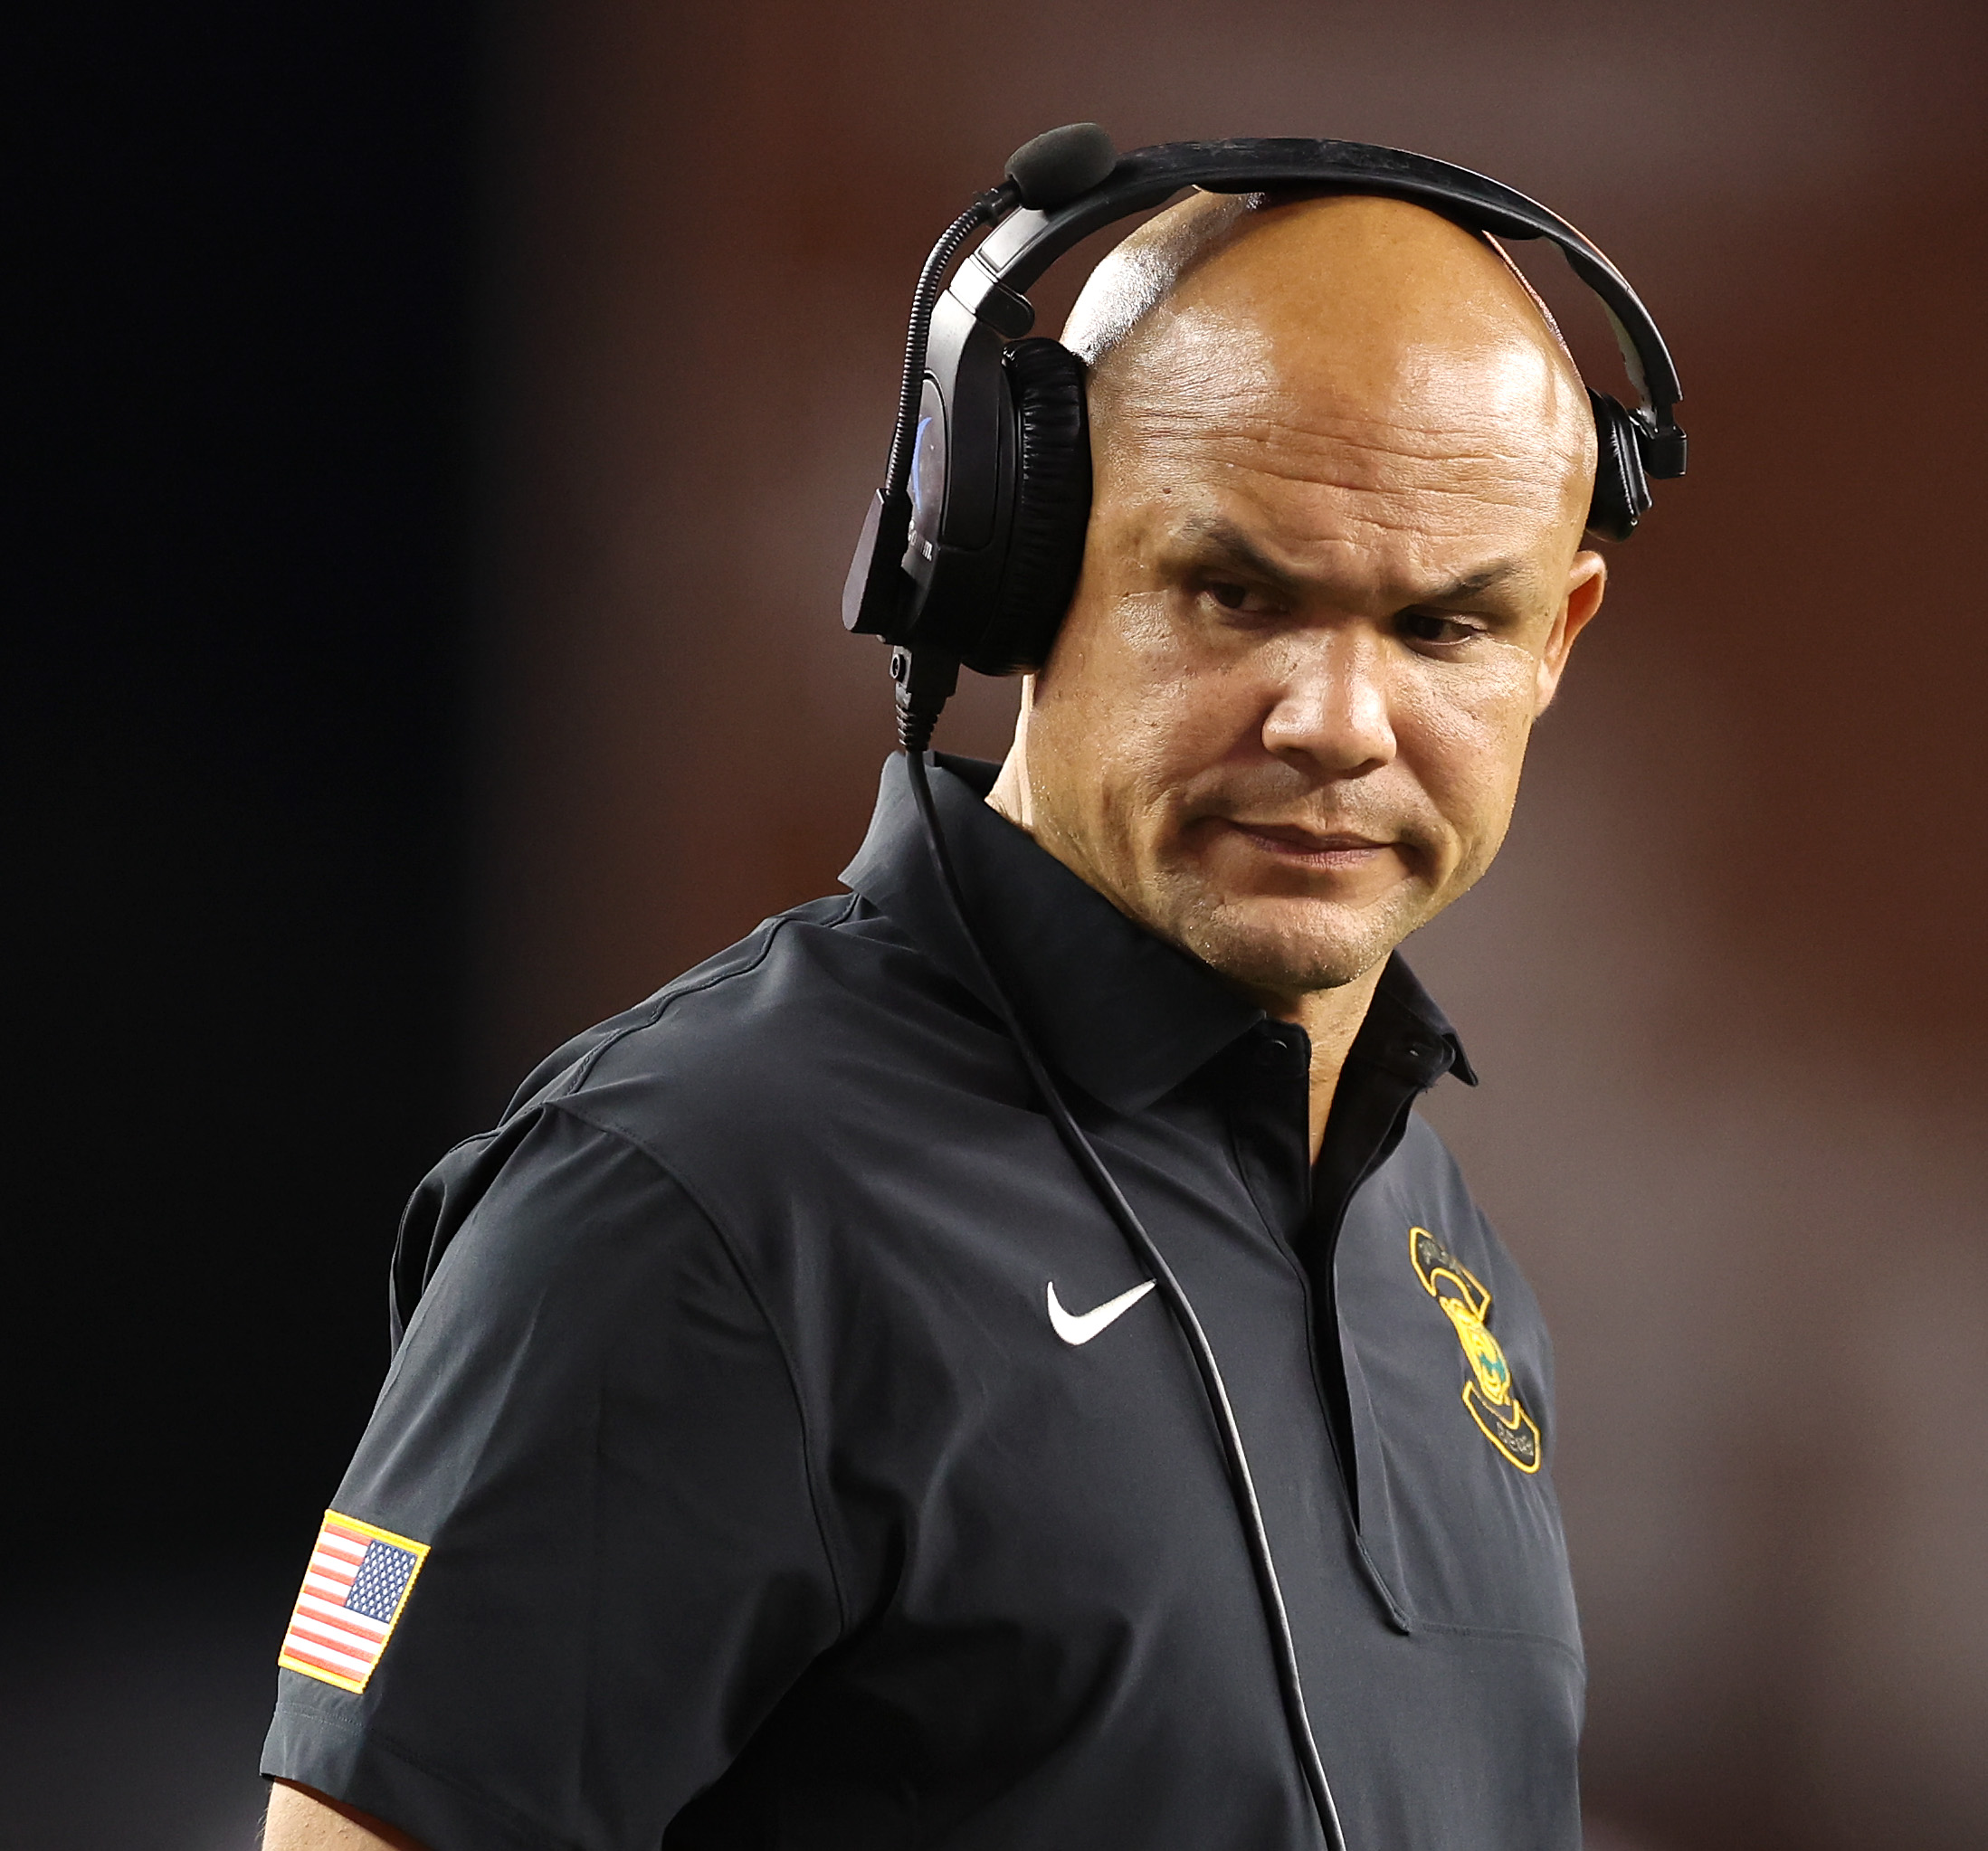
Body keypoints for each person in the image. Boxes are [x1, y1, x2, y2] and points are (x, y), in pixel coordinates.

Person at [262, 183, 1616, 1849]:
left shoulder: (1431, 1249)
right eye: (1236, 594)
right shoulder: (696, 1197)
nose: (1337, 721)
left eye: (1440, 626)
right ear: (1019, 567)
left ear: (1554, 638)